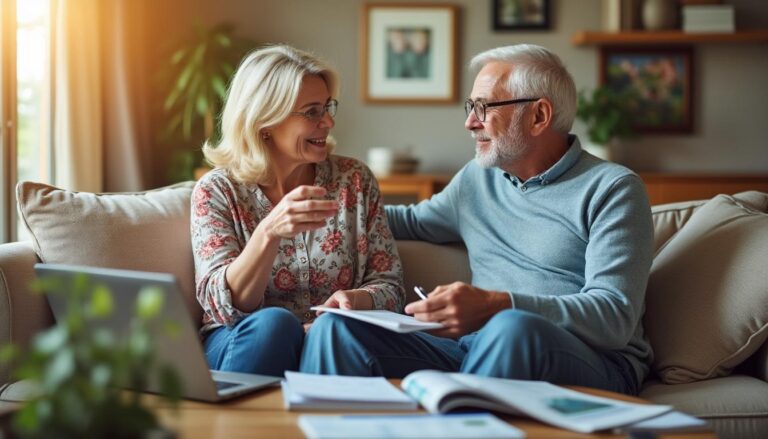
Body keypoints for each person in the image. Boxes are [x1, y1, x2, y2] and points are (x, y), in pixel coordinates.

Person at [301, 44, 654, 396]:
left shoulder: (613, 189)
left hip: (592, 360)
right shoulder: (477, 179)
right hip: (476, 348)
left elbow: (614, 316)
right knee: (336, 329)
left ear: (539, 116)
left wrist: (496, 305)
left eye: (483, 107)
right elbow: (405, 221)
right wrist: (310, 208)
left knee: (511, 328)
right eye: (471, 107)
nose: (470, 122)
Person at [191, 45, 405, 377]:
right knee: (275, 325)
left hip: (335, 340)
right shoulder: (217, 190)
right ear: (265, 122)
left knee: (332, 333)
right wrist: (268, 232)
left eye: (328, 107)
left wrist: (353, 302)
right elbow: (223, 305)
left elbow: (391, 287)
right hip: (243, 339)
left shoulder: (355, 181)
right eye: (312, 112)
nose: (329, 121)